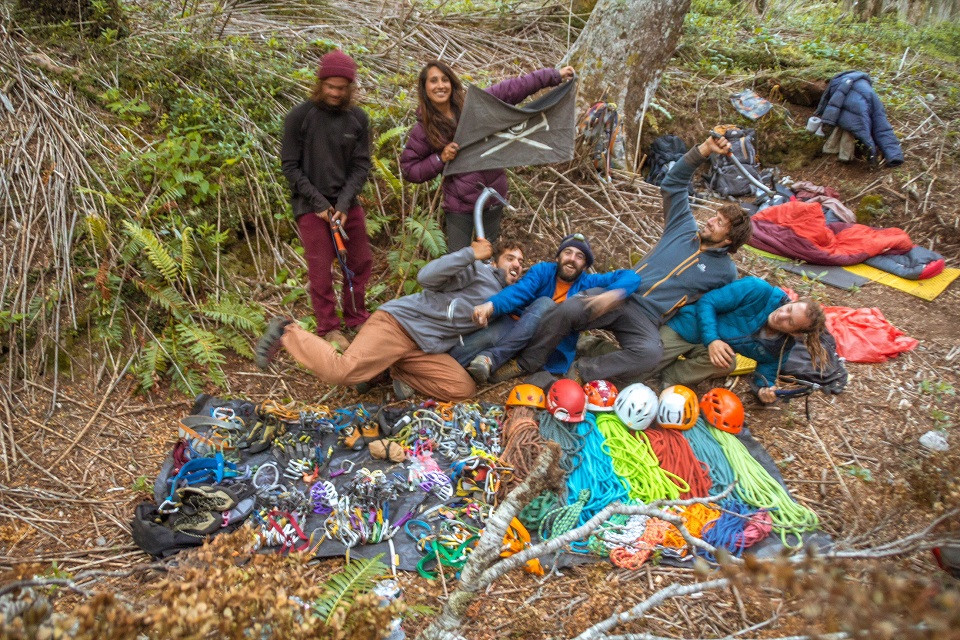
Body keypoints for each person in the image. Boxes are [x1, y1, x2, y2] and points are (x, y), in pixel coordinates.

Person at [503, 134, 754, 385]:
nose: (710, 221)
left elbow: (713, 304)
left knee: (650, 353)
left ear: (728, 239)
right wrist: (704, 149)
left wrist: (697, 336)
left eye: (719, 222)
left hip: (648, 318)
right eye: (715, 216)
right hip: (621, 294)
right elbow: (673, 184)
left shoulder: (726, 272)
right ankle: (526, 363)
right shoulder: (683, 227)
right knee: (569, 308)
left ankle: (582, 371)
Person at [254, 239, 523, 401]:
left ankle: (389, 368)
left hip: (421, 348)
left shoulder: (506, 300)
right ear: (494, 262)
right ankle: (287, 331)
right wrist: (470, 254)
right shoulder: (477, 272)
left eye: (520, 262)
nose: (516, 264)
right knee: (341, 371)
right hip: (398, 325)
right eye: (509, 258)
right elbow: (426, 277)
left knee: (462, 388)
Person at [400, 60, 575, 252]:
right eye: (433, 81)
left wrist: (553, 76)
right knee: (458, 260)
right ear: (425, 88)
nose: (440, 85)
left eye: (444, 79)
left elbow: (513, 89)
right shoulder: (424, 129)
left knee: (489, 256)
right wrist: (440, 159)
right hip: (459, 206)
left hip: (492, 197)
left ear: (452, 83)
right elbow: (409, 169)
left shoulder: (474, 106)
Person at [280, 50, 372, 352]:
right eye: (330, 87)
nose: (335, 93)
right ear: (320, 84)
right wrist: (319, 203)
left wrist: (343, 204)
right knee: (320, 270)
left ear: (350, 88)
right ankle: (329, 327)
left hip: (346, 204)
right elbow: (290, 166)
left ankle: (356, 317)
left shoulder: (358, 119)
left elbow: (361, 166)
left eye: (341, 88)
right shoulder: (299, 117)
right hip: (311, 206)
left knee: (360, 261)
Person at [463, 233, 641, 384]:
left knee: (547, 305)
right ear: (558, 257)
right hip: (519, 330)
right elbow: (519, 291)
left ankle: (507, 363)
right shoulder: (543, 271)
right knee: (473, 345)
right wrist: (492, 305)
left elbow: (631, 276)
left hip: (549, 346)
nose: (572, 259)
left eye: (579, 256)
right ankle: (474, 367)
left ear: (585, 266)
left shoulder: (589, 282)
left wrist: (614, 293)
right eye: (568, 252)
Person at [657, 276, 828, 403]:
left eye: (789, 322)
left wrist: (763, 391)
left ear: (795, 333)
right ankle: (656, 364)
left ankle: (669, 377)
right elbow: (708, 302)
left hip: (706, 349)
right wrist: (712, 340)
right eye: (788, 309)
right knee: (644, 363)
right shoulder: (758, 290)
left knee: (727, 363)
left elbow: (766, 374)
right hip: (687, 328)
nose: (781, 315)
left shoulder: (780, 346)